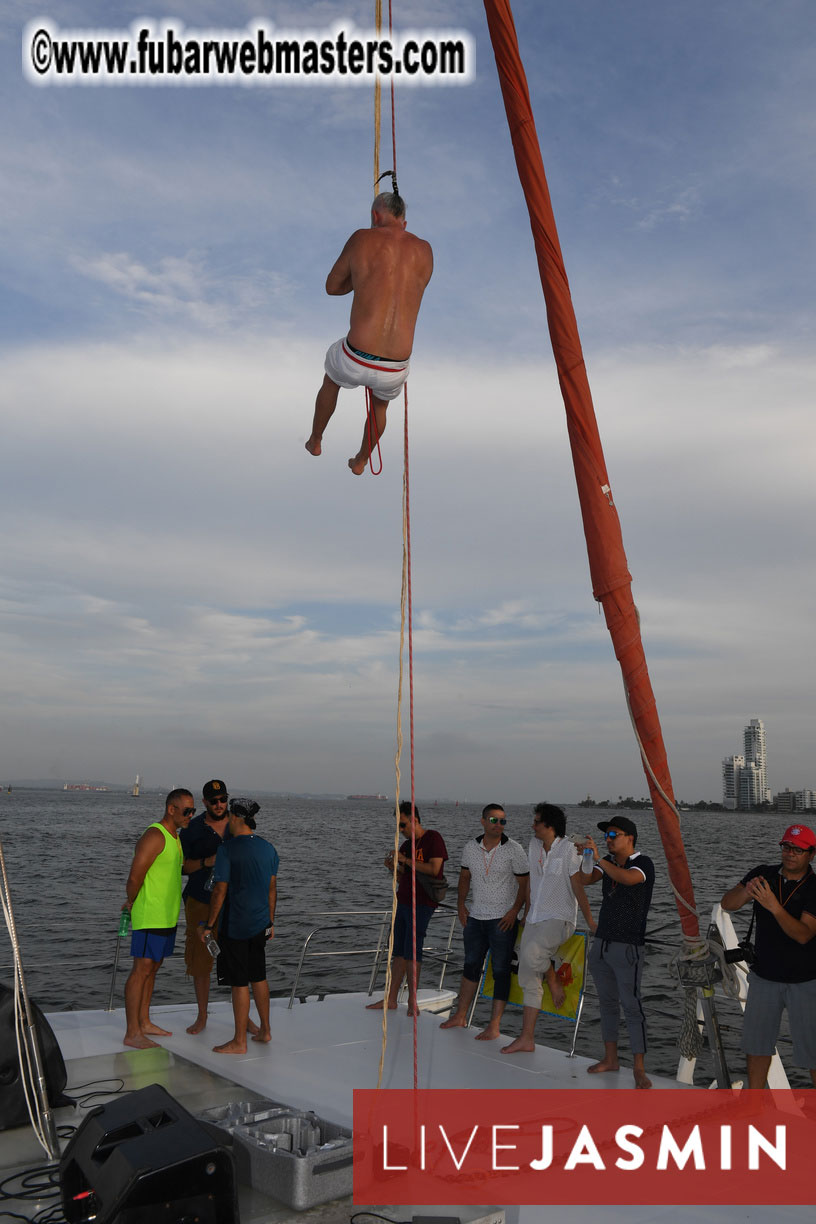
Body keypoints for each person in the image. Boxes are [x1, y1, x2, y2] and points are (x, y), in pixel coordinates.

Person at [305, 191, 433, 475]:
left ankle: (316, 440)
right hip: (395, 366)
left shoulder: (362, 238)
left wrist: (363, 280)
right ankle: (361, 460)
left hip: (355, 357)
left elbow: (331, 286)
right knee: (380, 407)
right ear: (405, 222)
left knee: (331, 381)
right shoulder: (425, 251)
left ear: (376, 215)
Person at [720, 822, 816, 1089]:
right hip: (764, 977)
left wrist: (773, 906)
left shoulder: (814, 887)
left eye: (798, 849)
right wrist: (747, 890)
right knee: (757, 1045)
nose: (790, 853)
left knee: (813, 1052)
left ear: (811, 854)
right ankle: (754, 1105)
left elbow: (803, 934)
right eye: (787, 846)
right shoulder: (763, 874)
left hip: (807, 981)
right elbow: (729, 903)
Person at [502, 803, 594, 1055]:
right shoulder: (533, 846)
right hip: (535, 917)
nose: (533, 826)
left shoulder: (568, 850)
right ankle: (526, 1038)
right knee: (526, 975)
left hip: (559, 917)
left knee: (531, 956)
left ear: (550, 826)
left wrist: (590, 920)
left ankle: (552, 978)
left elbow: (580, 884)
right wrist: (526, 912)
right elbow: (533, 880)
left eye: (537, 822)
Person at [440, 804, 528, 1040]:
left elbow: (525, 884)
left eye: (502, 821)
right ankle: (460, 1015)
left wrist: (515, 911)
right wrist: (461, 904)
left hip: (502, 919)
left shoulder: (514, 849)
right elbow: (464, 877)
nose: (498, 825)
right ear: (482, 821)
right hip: (475, 917)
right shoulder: (470, 847)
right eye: (493, 820)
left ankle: (494, 1025)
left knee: (500, 971)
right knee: (470, 966)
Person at [579, 816, 655, 1089]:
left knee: (632, 1007)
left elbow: (628, 879)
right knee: (607, 1004)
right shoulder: (608, 864)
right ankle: (611, 1058)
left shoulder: (642, 863)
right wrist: (587, 857)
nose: (609, 839)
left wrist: (601, 860)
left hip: (628, 947)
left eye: (613, 834)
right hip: (602, 943)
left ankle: (639, 1068)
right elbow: (586, 880)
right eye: (606, 835)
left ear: (630, 837)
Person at [202, 797, 278, 1055]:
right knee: (259, 976)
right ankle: (265, 1030)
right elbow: (271, 889)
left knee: (239, 983)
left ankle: (239, 1041)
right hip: (260, 924)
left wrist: (209, 925)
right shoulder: (269, 848)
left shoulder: (228, 850)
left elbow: (220, 891)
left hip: (235, 926)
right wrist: (270, 921)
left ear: (235, 818)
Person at [122, 789, 193, 1049]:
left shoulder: (174, 837)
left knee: (152, 969)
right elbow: (134, 877)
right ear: (171, 809)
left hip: (167, 916)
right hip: (150, 915)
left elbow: (175, 870)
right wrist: (131, 902)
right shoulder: (155, 835)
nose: (190, 815)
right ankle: (132, 1033)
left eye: (193, 810)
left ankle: (144, 1022)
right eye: (186, 811)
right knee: (141, 970)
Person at [367, 801, 447, 1016]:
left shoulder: (433, 839)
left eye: (402, 825)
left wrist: (406, 859)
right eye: (398, 826)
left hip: (421, 904)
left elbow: (434, 868)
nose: (400, 830)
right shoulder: (405, 846)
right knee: (399, 952)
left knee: (413, 951)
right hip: (403, 902)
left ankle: (413, 1001)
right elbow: (403, 877)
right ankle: (391, 999)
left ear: (415, 820)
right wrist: (394, 868)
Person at [179, 778, 230, 1035]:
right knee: (201, 962)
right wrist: (206, 862)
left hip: (233, 904)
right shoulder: (191, 829)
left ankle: (244, 1018)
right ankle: (202, 1016)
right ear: (205, 802)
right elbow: (181, 867)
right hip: (200, 901)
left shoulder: (239, 825)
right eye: (214, 801)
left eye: (223, 800)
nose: (219, 804)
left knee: (237, 959)